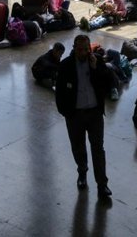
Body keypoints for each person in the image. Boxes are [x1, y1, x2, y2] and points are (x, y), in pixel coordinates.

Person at [55, 35, 113, 198]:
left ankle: (102, 185)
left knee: (98, 149)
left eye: (86, 49)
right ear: (74, 48)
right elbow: (59, 91)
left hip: (94, 113)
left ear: (89, 49)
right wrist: (65, 112)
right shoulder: (66, 65)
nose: (83, 53)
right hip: (75, 115)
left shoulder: (97, 62)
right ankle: (82, 172)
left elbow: (108, 84)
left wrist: (96, 69)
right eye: (80, 49)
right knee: (78, 147)